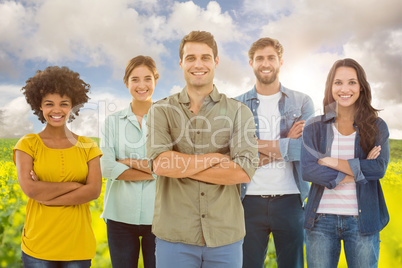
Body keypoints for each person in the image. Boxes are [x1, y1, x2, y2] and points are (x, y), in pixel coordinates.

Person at [146, 30, 258, 268]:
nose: (198, 64)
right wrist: (216, 158)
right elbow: (161, 164)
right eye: (191, 58)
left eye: (205, 57)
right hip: (174, 236)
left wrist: (181, 165)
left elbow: (242, 171)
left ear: (216, 62)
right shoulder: (160, 110)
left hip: (225, 237)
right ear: (181, 63)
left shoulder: (239, 111)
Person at [301, 58, 390, 268]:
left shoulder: (377, 126)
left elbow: (377, 169)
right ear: (330, 87)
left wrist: (330, 161)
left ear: (361, 87)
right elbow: (309, 170)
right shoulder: (314, 126)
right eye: (338, 82)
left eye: (352, 82)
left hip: (363, 221)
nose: (345, 89)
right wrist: (358, 170)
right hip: (320, 221)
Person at [235, 37, 315, 268]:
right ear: (251, 63)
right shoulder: (236, 105)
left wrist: (252, 142)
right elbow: (235, 151)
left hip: (291, 200)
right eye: (259, 58)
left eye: (271, 57)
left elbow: (305, 150)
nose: (265, 63)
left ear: (281, 61)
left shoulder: (301, 102)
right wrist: (286, 142)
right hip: (247, 201)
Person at [13, 66, 103, 267]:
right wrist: (75, 186)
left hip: (77, 246)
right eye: (49, 104)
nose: (56, 110)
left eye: (64, 104)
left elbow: (94, 191)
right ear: (40, 106)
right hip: (38, 245)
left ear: (72, 107)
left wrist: (47, 198)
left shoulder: (88, 145)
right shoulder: (27, 144)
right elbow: (31, 189)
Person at [100, 55, 158, 268]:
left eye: (147, 79)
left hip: (159, 216)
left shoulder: (169, 120)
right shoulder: (112, 122)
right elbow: (106, 166)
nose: (141, 85)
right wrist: (154, 171)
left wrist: (126, 162)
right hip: (119, 215)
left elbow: (174, 166)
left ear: (155, 81)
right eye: (135, 79)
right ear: (126, 83)